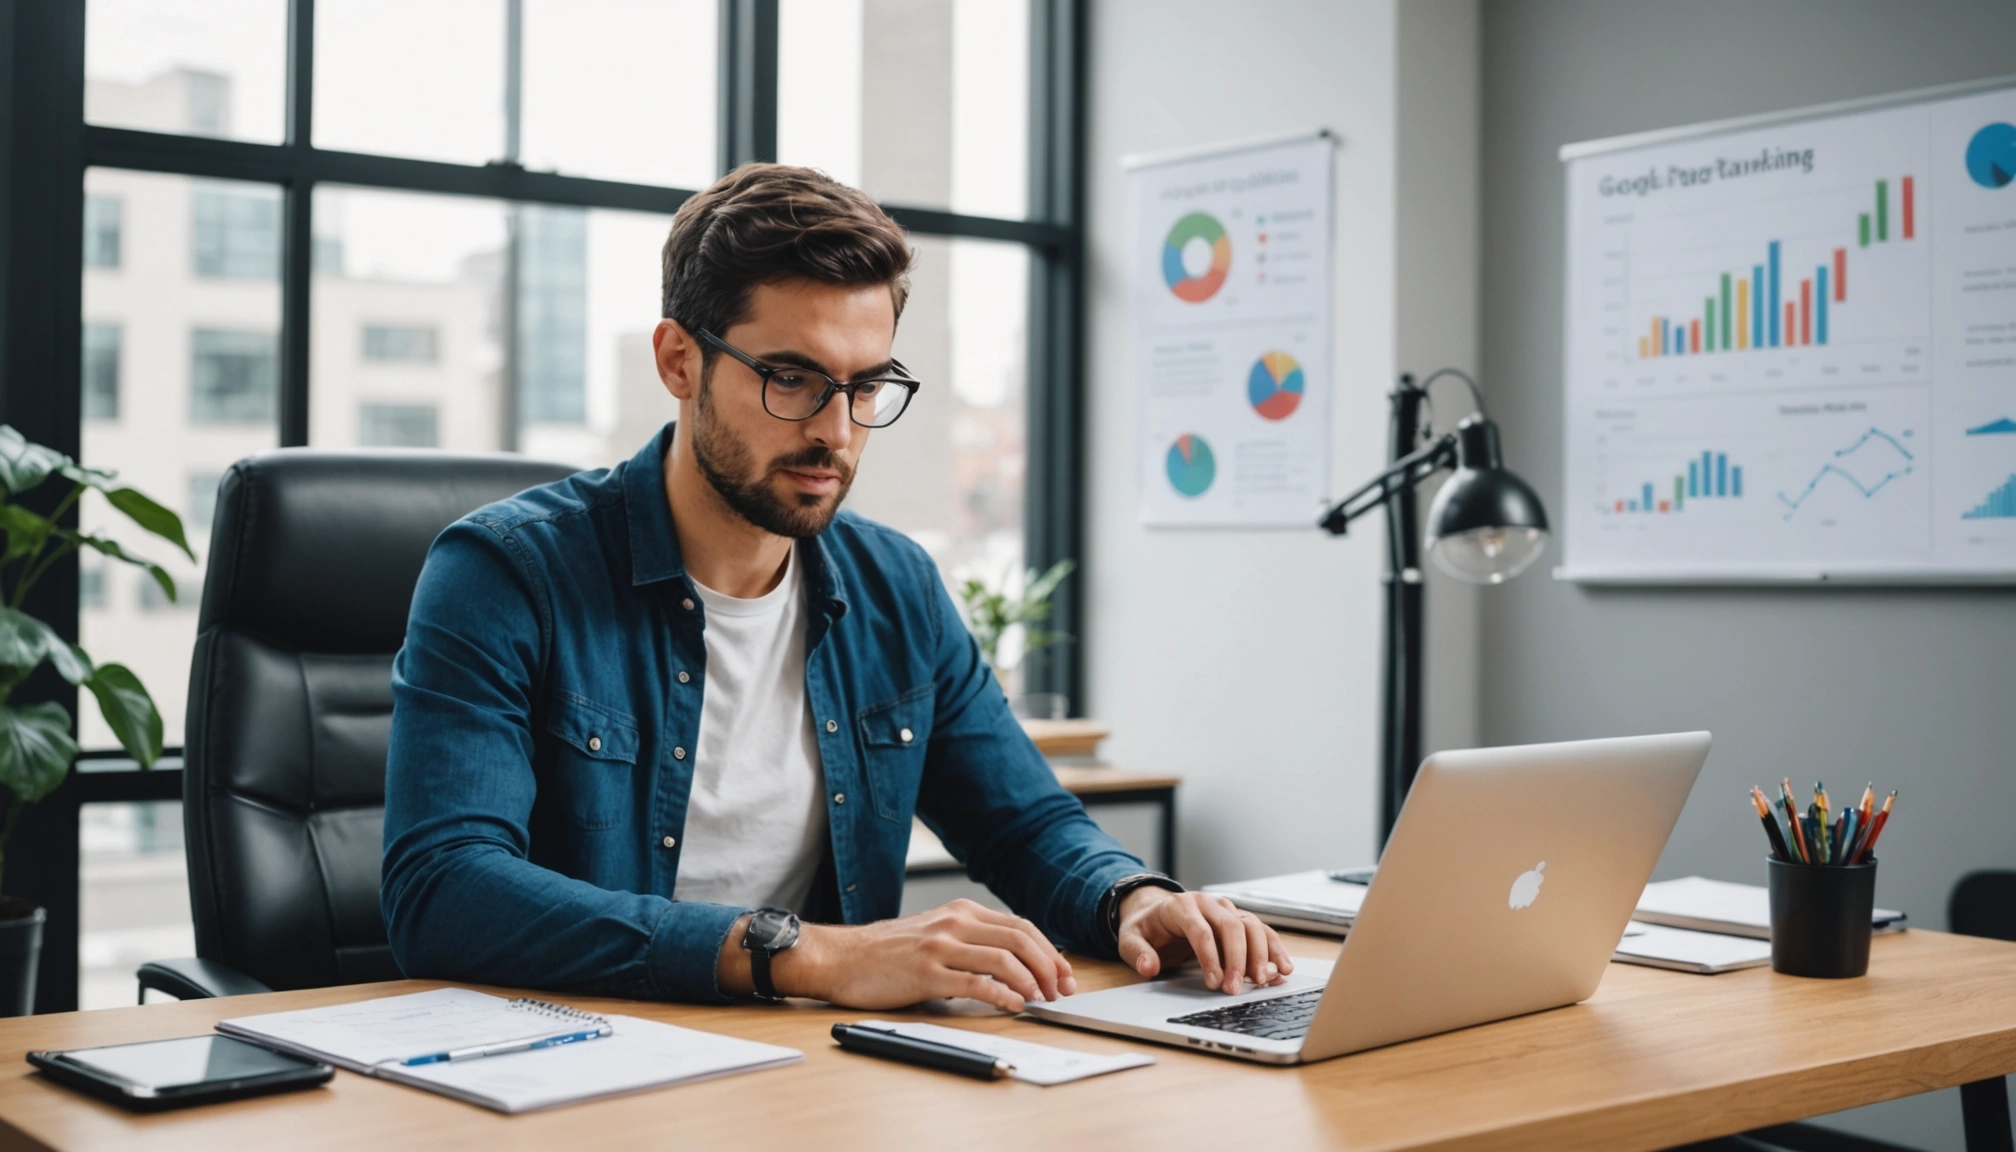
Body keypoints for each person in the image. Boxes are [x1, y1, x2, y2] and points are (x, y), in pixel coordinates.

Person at [381, 163, 1291, 1012]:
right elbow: (444, 889)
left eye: (866, 386)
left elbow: (1023, 823)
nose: (837, 430)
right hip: (567, 1061)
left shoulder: (896, 585)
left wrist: (1128, 898)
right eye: (792, 378)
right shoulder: (505, 573)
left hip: (810, 1072)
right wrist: (809, 955)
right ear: (679, 362)